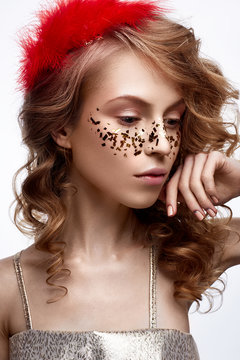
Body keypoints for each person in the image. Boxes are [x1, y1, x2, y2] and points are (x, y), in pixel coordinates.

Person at [0, 0, 239, 359]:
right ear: (62, 127)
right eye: (129, 119)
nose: (160, 143)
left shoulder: (190, 256)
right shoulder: (7, 289)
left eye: (172, 120)